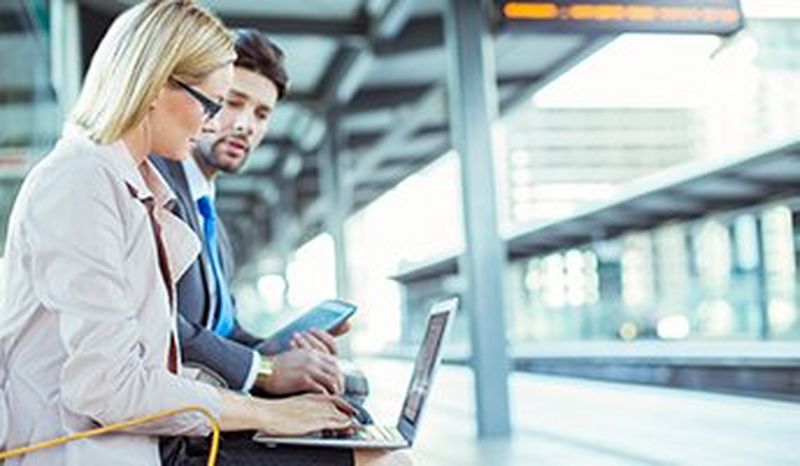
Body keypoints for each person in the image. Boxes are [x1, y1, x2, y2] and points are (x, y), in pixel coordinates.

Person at [0, 2, 406, 465]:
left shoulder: (135, 190)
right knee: (381, 460)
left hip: (145, 440)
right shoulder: (79, 181)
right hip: (88, 451)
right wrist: (268, 412)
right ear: (154, 84)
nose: (216, 124)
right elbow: (109, 384)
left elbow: (156, 364)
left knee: (371, 447)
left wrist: (277, 398)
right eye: (214, 103)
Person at [150, 30, 350, 398]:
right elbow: (151, 319)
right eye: (232, 103)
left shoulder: (217, 232)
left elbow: (223, 332)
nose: (246, 125)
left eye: (262, 114)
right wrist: (263, 370)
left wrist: (287, 352)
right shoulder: (155, 188)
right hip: (173, 415)